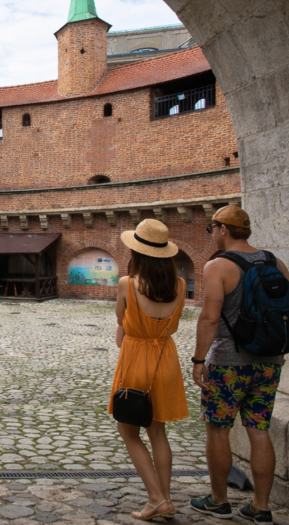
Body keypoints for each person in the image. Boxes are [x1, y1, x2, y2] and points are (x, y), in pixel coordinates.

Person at [190, 206, 289, 523]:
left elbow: (210, 318)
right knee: (259, 430)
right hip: (269, 362)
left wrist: (198, 360)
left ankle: (219, 501)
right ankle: (261, 507)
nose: (214, 234)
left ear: (223, 229)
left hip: (229, 363)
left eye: (213, 229)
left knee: (218, 430)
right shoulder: (275, 262)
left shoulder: (217, 266)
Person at [109, 219, 189, 521]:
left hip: (136, 357)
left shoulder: (127, 284)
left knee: (128, 430)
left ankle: (156, 498)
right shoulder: (180, 286)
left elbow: (120, 319)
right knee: (158, 431)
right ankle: (164, 498)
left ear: (137, 253)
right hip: (165, 359)